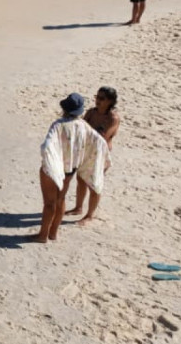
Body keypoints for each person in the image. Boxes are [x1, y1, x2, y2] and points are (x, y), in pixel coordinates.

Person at [35, 93, 108, 243]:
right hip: (70, 171)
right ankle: (53, 233)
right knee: (61, 199)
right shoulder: (84, 126)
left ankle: (42, 235)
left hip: (54, 169)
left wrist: (48, 159)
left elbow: (48, 145)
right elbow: (99, 143)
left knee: (49, 203)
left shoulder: (58, 125)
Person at [66, 87, 120, 226]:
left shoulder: (113, 118)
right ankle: (78, 207)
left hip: (100, 154)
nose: (98, 101)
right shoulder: (91, 112)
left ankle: (90, 215)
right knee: (81, 179)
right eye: (97, 97)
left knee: (95, 184)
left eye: (102, 98)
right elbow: (81, 128)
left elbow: (104, 137)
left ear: (110, 101)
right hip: (86, 150)